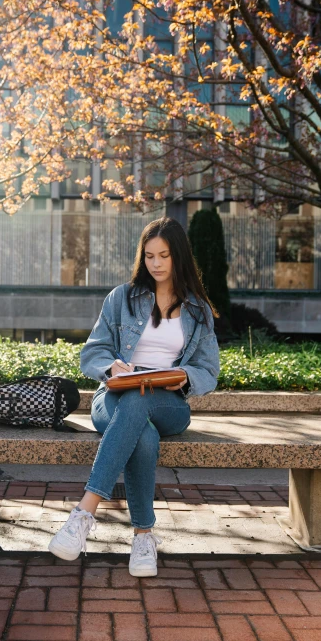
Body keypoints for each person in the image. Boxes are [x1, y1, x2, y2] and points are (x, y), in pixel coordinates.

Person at [48, 216, 220, 577]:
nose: (155, 264)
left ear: (179, 258)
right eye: (149, 256)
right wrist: (112, 368)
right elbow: (91, 353)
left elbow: (208, 370)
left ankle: (84, 513)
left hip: (169, 402)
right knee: (140, 428)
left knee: (142, 402)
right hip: (115, 395)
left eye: (164, 256)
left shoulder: (198, 309)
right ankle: (143, 537)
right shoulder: (121, 298)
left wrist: (184, 377)